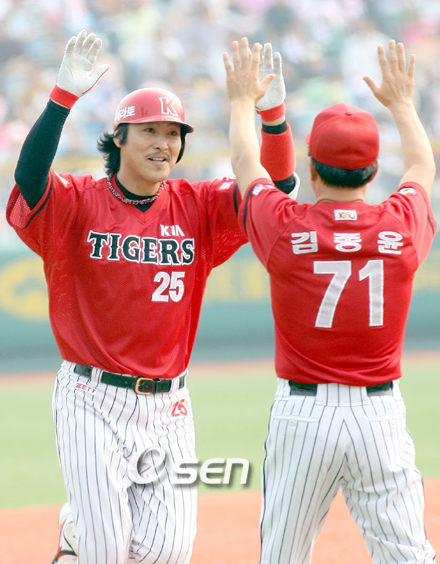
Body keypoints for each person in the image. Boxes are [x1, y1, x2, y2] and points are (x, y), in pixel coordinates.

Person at [6, 31, 298, 564]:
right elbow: (29, 180)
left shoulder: (198, 205)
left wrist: (273, 117)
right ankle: (80, 532)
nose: (164, 142)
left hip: (170, 406)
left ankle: (79, 535)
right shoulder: (78, 200)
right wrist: (61, 99)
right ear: (119, 138)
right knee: (107, 552)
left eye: (173, 132)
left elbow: (275, 190)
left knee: (168, 551)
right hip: (91, 397)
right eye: (149, 131)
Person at [224, 37, 437, 563]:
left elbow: (246, 162)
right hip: (378, 414)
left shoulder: (285, 226)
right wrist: (402, 104)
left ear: (313, 170)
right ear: (373, 170)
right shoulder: (400, 226)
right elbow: (421, 167)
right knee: (409, 555)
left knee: (282, 556)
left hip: (303, 415)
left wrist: (242, 101)